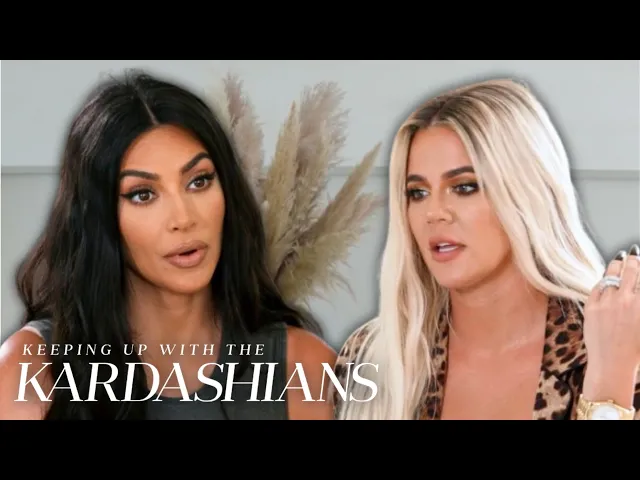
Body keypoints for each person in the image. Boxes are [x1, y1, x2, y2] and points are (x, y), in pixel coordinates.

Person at [0, 70, 336, 420]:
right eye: (143, 194)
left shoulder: (303, 368)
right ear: (97, 218)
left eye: (199, 181)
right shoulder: (32, 370)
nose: (183, 218)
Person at [333, 78, 640, 420]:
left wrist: (610, 384)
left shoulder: (618, 348)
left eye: (464, 187)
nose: (434, 212)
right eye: (417, 193)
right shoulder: (372, 356)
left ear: (526, 193)